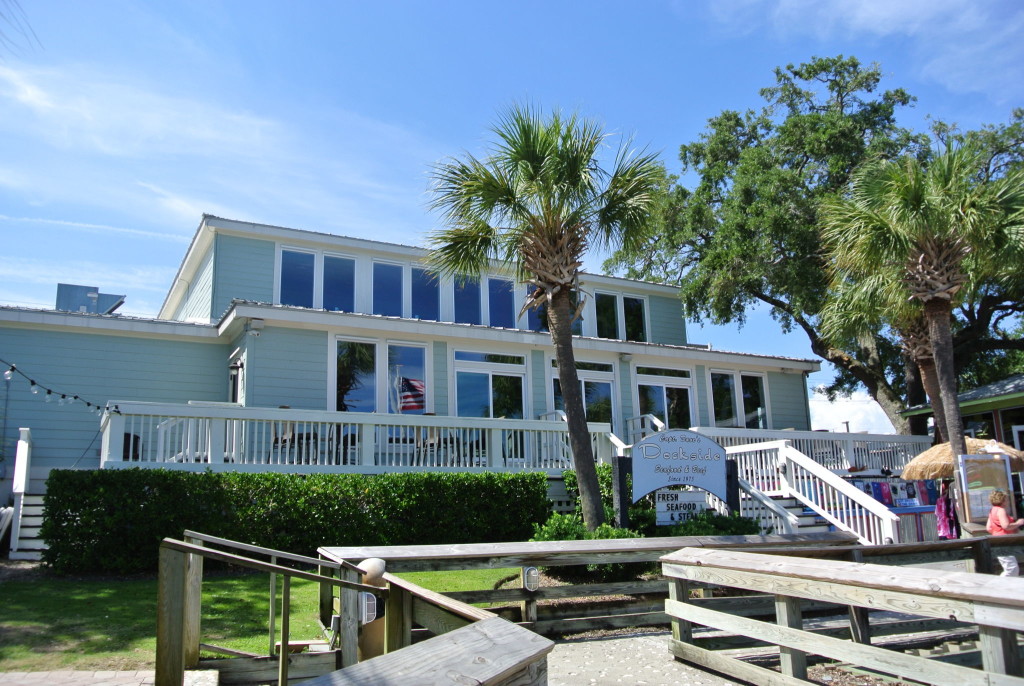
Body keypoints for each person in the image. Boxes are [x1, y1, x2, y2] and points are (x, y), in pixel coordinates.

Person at [986, 489, 1024, 576]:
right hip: (1003, 541)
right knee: (1012, 569)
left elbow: (989, 528)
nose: (1007, 501)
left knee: (1010, 567)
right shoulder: (1001, 510)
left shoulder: (992, 510)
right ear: (1002, 500)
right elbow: (1006, 526)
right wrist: (1019, 523)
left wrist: (997, 532)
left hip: (997, 541)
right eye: (1006, 499)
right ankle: (999, 586)